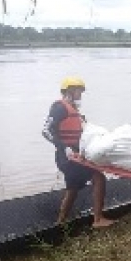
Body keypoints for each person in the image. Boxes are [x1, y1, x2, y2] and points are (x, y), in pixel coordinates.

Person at [42, 76, 115, 227]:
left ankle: (61, 222)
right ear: (68, 90)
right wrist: (64, 147)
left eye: (81, 90)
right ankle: (97, 220)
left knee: (73, 189)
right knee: (98, 178)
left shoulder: (75, 110)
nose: (80, 93)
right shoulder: (59, 107)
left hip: (77, 155)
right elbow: (46, 131)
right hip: (66, 156)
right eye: (78, 90)